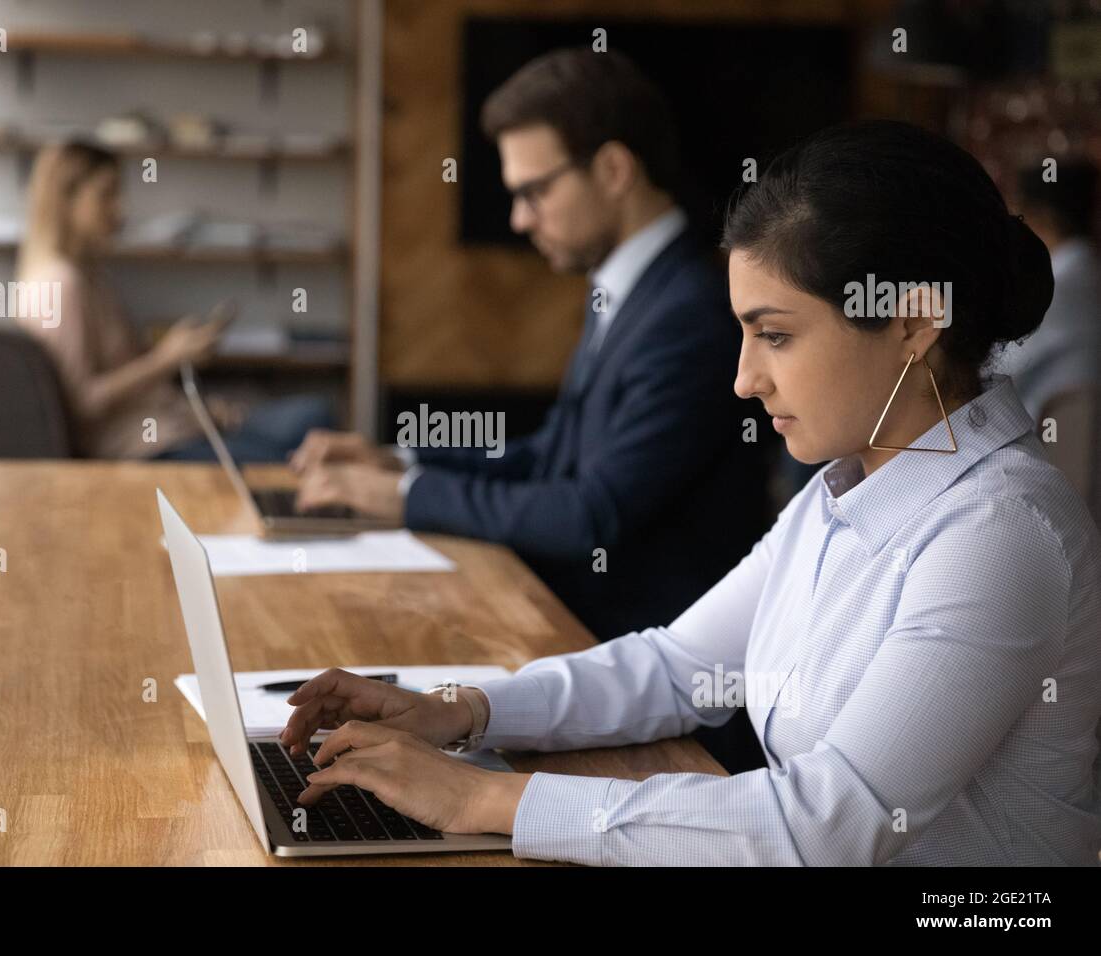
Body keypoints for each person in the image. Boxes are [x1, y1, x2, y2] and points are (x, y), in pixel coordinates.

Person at [278, 120, 1101, 866]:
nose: (745, 379)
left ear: (915, 320)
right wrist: (457, 711)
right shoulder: (845, 488)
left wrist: (481, 797)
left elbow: (829, 824)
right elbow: (679, 667)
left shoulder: (999, 533)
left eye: (776, 335)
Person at [290, 49, 769, 647]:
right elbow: (552, 456)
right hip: (575, 623)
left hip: (634, 652)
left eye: (534, 191)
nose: (519, 219)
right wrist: (402, 462)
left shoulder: (692, 311)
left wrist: (404, 497)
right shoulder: (634, 287)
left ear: (615, 169)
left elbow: (591, 513)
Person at [14, 141, 332, 461]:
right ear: (65, 201)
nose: (120, 208)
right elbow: (79, 404)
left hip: (171, 424)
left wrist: (199, 409)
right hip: (144, 448)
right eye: (106, 194)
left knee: (313, 416)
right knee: (308, 444)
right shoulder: (61, 284)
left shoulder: (88, 276)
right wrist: (166, 358)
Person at [1000, 159, 1100, 424]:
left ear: (1040, 215)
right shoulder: (1083, 269)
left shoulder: (1064, 284)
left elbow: (1000, 366)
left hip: (1056, 438)